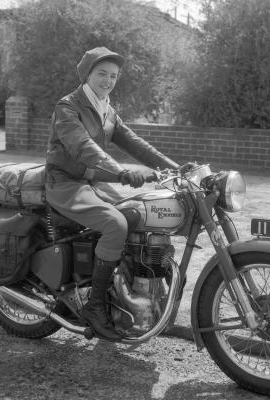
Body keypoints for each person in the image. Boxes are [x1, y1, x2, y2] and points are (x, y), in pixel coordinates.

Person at [45, 47, 179, 340]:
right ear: (87, 74)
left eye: (114, 76)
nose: (108, 80)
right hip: (64, 182)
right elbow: (82, 146)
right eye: (102, 73)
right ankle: (95, 308)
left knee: (138, 214)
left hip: (91, 181)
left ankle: (122, 288)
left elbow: (137, 144)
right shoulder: (67, 106)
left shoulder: (107, 110)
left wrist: (176, 168)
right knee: (115, 224)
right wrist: (120, 172)